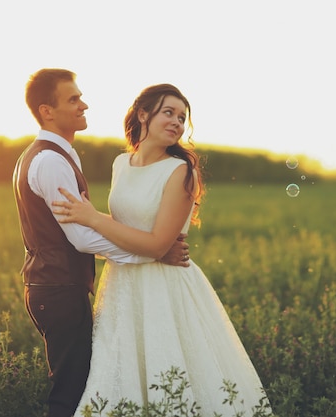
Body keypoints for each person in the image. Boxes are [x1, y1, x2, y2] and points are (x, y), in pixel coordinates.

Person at [52, 84, 273, 416]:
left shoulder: (182, 171)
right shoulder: (120, 163)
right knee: (120, 371)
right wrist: (96, 223)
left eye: (182, 118)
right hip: (122, 287)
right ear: (144, 114)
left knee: (169, 374)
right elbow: (122, 229)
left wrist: (93, 218)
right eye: (168, 113)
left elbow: (158, 244)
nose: (177, 123)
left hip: (164, 288)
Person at [12, 69, 190, 417]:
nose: (84, 105)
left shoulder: (53, 155)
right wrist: (152, 253)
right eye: (73, 99)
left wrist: (146, 246)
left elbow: (93, 223)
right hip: (58, 287)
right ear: (48, 111)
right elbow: (80, 236)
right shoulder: (49, 160)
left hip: (61, 285)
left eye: (182, 117)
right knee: (71, 391)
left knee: (89, 382)